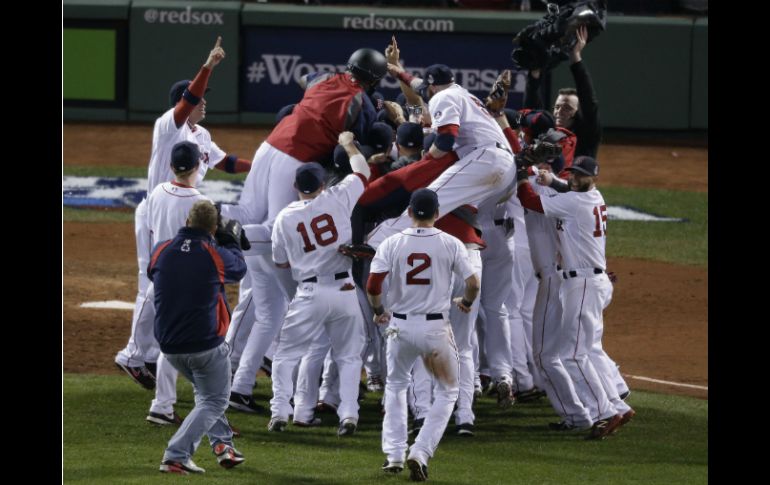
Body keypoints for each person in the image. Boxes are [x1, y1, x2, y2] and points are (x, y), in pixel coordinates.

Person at [115, 36, 251, 389]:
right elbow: (189, 98)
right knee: (153, 280)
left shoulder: (201, 134)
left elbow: (229, 163)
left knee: (169, 278)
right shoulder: (167, 126)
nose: (204, 103)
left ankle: (146, 354)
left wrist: (263, 165)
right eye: (199, 99)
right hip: (158, 208)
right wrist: (208, 65)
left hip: (183, 209)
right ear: (184, 101)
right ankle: (132, 355)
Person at [516, 156, 634, 439]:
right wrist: (552, 180)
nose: (575, 178)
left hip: (582, 284)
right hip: (589, 281)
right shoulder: (592, 197)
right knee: (587, 350)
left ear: (593, 178)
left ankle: (606, 412)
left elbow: (531, 202)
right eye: (574, 174)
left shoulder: (575, 203)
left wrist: (522, 176)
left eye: (581, 175)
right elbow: (567, 189)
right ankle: (617, 405)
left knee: (573, 355)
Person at [367, 188, 479, 480]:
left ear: (409, 213)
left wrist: (379, 309)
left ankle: (393, 455)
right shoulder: (451, 243)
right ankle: (420, 451)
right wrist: (465, 303)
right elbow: (473, 283)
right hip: (435, 329)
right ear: (437, 213)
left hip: (399, 327)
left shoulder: (392, 243)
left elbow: (373, 285)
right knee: (448, 390)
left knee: (396, 386)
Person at [266, 131, 371, 436]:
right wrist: (349, 143)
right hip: (345, 291)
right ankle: (349, 415)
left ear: (296, 187)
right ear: (324, 184)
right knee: (349, 357)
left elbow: (281, 263)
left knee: (286, 355)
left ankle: (281, 413)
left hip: (309, 292)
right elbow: (362, 171)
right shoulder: (338, 197)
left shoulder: (285, 218)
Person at [149, 200, 247, 474]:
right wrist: (232, 243)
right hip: (205, 345)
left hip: (169, 346)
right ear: (214, 227)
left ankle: (222, 445)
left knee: (205, 393)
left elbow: (153, 272)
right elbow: (239, 270)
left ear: (187, 220)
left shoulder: (161, 250)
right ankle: (176, 455)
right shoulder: (213, 254)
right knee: (214, 400)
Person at [143, 141, 212, 425]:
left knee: (172, 345)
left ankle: (164, 406)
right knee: (202, 346)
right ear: (198, 166)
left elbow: (150, 228)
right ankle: (174, 406)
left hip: (160, 275)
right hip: (187, 283)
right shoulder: (201, 203)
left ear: (172, 166)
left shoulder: (157, 192)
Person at [524, 25, 601, 158]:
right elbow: (532, 111)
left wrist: (575, 57)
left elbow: (589, 101)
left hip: (574, 179)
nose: (559, 112)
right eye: (557, 107)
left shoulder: (587, 133)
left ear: (577, 113)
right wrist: (534, 74)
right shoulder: (547, 131)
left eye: (567, 108)